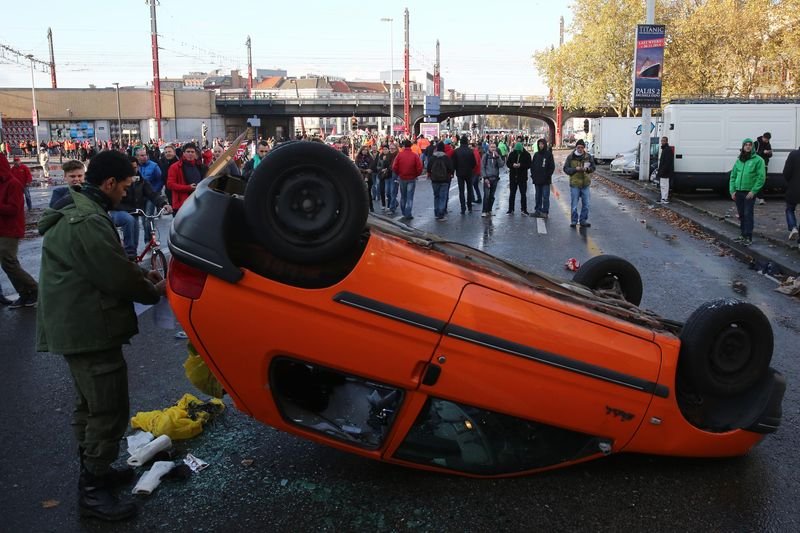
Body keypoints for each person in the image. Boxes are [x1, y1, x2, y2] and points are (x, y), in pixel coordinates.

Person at [36, 150, 165, 521]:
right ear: (109, 183)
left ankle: (97, 470)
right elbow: (114, 275)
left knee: (91, 405)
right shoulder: (88, 219)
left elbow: (107, 262)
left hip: (78, 323)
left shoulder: (84, 209)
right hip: (87, 326)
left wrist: (141, 273)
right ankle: (93, 490)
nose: (126, 192)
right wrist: (154, 289)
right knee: (108, 407)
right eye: (124, 186)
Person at [0, 154, 39, 308]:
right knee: (8, 264)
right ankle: (25, 294)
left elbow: (14, 209)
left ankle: (34, 290)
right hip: (3, 228)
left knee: (9, 263)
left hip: (10, 229)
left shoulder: (13, 184)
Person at [729, 138, 766, 246]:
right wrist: (732, 190)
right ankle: (743, 234)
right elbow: (733, 176)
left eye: (750, 145)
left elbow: (761, 177)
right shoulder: (739, 160)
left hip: (749, 192)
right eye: (746, 145)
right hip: (738, 191)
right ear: (743, 147)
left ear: (752, 147)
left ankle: (748, 236)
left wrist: (753, 191)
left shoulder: (758, 160)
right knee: (741, 214)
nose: (748, 146)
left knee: (748, 214)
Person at [563, 139, 596, 228]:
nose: (580, 149)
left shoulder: (588, 157)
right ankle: (574, 221)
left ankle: (583, 220)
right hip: (575, 184)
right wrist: (575, 169)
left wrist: (588, 169)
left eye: (582, 147)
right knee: (574, 204)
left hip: (585, 183)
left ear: (584, 148)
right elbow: (566, 169)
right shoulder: (571, 157)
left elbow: (593, 167)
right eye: (578, 147)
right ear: (576, 147)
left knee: (586, 204)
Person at [166, 143, 208, 212]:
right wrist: (188, 187)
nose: (190, 154)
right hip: (182, 204)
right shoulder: (174, 167)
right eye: (188, 151)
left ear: (195, 153)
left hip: (198, 201)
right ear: (183, 153)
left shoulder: (200, 166)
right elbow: (170, 184)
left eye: (192, 152)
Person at [391, 139, 423, 221]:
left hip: (402, 178)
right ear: (411, 146)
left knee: (403, 196)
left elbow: (394, 167)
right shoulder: (414, 155)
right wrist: (416, 175)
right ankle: (408, 213)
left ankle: (404, 212)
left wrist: (399, 174)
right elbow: (419, 167)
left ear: (404, 146)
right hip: (411, 178)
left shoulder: (400, 155)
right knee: (409, 197)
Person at [427, 141, 454, 220]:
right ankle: (441, 213)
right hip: (444, 180)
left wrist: (430, 175)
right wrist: (450, 174)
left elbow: (428, 168)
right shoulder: (446, 157)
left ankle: (436, 212)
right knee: (443, 197)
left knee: (436, 196)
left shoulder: (433, 157)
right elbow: (450, 168)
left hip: (434, 180)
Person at [530, 138, 555, 218]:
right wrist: (533, 175)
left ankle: (545, 211)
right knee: (538, 196)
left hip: (545, 180)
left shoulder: (548, 155)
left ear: (545, 145)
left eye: (542, 144)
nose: (541, 146)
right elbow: (532, 166)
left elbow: (551, 167)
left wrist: (548, 176)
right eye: (539, 144)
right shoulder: (536, 155)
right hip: (537, 179)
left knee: (545, 196)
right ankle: (538, 210)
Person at [506, 142, 532, 215]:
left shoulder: (526, 155)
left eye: (519, 150)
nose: (518, 152)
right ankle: (511, 209)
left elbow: (529, 164)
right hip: (513, 177)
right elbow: (508, 163)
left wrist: (521, 165)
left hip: (522, 177)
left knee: (523, 194)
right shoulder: (512, 154)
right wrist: (512, 165)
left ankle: (524, 209)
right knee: (512, 193)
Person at [453, 135, 477, 214]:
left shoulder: (456, 151)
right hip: (469, 173)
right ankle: (469, 206)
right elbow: (474, 163)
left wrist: (456, 169)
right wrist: (470, 168)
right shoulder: (470, 151)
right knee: (469, 190)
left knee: (461, 191)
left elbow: (454, 163)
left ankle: (463, 208)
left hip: (460, 173)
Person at [480, 143, 503, 217]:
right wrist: (485, 177)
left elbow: (501, 165)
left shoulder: (497, 156)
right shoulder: (485, 156)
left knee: (492, 196)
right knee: (486, 195)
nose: (493, 149)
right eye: (491, 147)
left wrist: (498, 157)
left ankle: (489, 210)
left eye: (494, 147)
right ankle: (484, 211)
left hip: (495, 178)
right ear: (489, 148)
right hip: (488, 178)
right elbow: (482, 167)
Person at [783, 145, 800, 243]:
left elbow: (786, 172)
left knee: (790, 209)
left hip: (794, 188)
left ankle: (793, 227)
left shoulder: (793, 154)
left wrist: (790, 182)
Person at [754, 132, 772, 205]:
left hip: (765, 165)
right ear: (763, 137)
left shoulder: (768, 144)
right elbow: (753, 154)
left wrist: (769, 153)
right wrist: (763, 152)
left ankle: (760, 198)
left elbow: (770, 155)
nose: (767, 141)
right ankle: (759, 198)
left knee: (762, 181)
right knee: (758, 181)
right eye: (766, 139)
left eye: (768, 140)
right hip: (757, 165)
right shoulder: (756, 143)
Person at [355, 146, 375, 213]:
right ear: (361, 150)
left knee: (368, 193)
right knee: (360, 193)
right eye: (363, 150)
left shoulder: (370, 158)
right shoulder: (358, 158)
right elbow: (356, 168)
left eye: (366, 150)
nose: (365, 151)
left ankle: (371, 207)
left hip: (368, 178)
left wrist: (367, 176)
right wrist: (365, 170)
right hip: (360, 177)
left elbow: (371, 168)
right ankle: (361, 207)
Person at [656, 136, 675, 204]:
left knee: (664, 185)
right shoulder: (665, 149)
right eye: (661, 141)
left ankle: (664, 198)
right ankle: (663, 198)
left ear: (666, 141)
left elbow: (667, 162)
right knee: (663, 185)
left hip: (665, 171)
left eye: (663, 141)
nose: (662, 142)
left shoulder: (667, 150)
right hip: (664, 171)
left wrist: (662, 170)